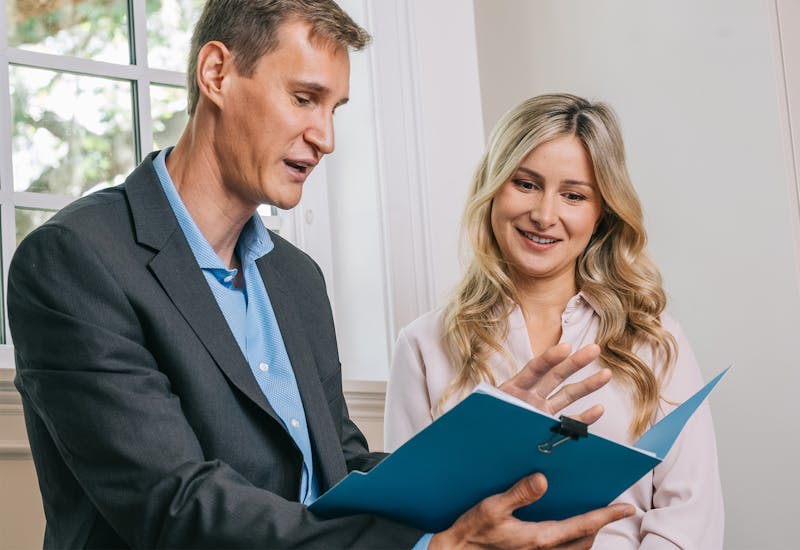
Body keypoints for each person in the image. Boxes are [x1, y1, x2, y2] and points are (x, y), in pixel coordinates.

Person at [9, 2, 634, 549]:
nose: (326, 137)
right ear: (217, 73)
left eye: (335, 108)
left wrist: (481, 455)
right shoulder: (74, 259)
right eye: (304, 98)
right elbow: (175, 506)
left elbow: (341, 468)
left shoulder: (296, 278)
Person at [385, 93, 724, 549]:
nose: (545, 215)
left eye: (573, 195)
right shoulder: (424, 345)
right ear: (493, 188)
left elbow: (691, 520)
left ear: (601, 211)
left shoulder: (655, 341)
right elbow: (404, 526)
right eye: (525, 184)